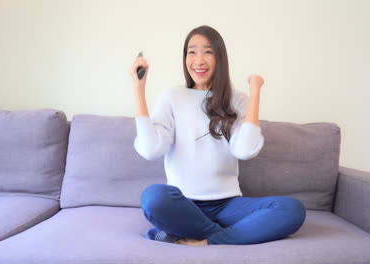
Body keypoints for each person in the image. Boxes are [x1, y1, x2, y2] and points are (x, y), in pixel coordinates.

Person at [130, 25, 306, 246]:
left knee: (292, 209)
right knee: (154, 197)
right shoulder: (172, 96)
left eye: (208, 52)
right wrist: (139, 89)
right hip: (184, 203)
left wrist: (255, 94)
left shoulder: (237, 99)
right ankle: (228, 236)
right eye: (192, 52)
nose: (198, 60)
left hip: (228, 205)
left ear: (220, 57)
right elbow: (150, 149)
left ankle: (195, 239)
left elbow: (245, 150)